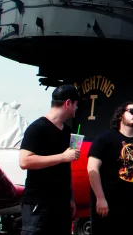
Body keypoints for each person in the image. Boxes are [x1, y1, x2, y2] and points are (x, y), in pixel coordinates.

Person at [88, 102, 133, 235]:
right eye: (132, 111)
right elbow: (92, 168)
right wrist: (100, 198)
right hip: (108, 206)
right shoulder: (105, 138)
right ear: (121, 114)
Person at [18, 84, 81, 235]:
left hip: (61, 204)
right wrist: (62, 157)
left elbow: (65, 168)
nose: (77, 108)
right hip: (39, 203)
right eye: (76, 104)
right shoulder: (37, 128)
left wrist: (70, 198)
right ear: (68, 103)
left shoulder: (67, 131)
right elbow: (25, 161)